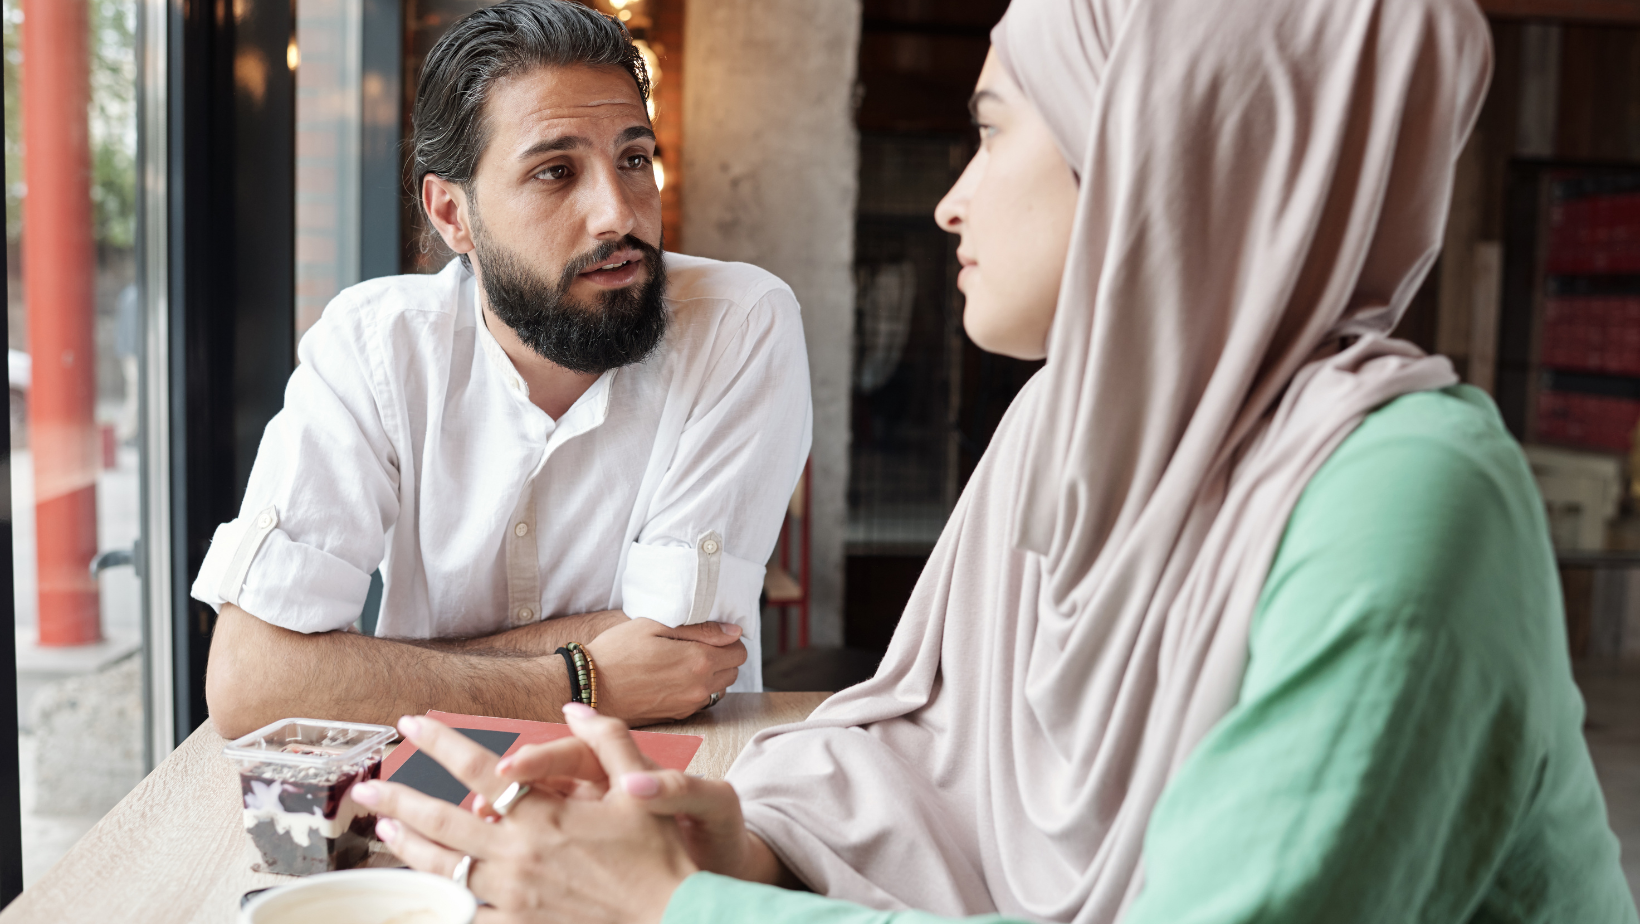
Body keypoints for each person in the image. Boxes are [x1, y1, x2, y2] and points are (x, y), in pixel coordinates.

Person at [354, 0, 1640, 921]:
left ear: (1146, 151)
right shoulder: (1065, 424)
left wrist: (672, 909)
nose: (946, 200)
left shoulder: (1406, 493)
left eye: (990, 130)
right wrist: (738, 842)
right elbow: (938, 767)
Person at [196, 0, 812, 739]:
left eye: (634, 159)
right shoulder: (376, 348)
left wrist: (366, 670)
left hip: (662, 770)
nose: (617, 213)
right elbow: (252, 682)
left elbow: (679, 659)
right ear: (452, 215)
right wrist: (579, 678)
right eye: (556, 172)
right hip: (430, 776)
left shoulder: (739, 324)